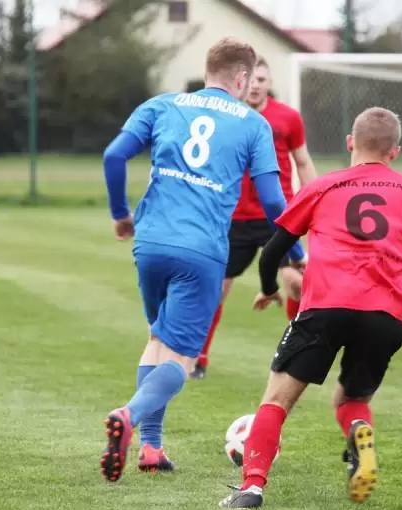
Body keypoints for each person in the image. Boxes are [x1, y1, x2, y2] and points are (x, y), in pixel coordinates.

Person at [219, 107, 402, 509]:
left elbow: (273, 253)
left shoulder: (323, 186)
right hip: (385, 316)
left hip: (325, 307)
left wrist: (268, 288)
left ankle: (251, 488)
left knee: (276, 400)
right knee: (351, 399)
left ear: (350, 142)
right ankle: (357, 429)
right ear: (395, 151)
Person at [98, 37, 306, 482]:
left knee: (158, 339)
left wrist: (120, 214)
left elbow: (114, 155)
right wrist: (295, 250)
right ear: (242, 78)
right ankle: (128, 416)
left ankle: (151, 447)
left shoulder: (163, 104)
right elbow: (274, 200)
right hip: (202, 249)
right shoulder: (253, 123)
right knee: (182, 360)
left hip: (150, 241)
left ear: (208, 70)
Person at [192, 57, 317, 380]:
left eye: (262, 79)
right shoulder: (227, 116)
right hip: (233, 218)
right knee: (216, 289)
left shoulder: (287, 118)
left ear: (268, 82)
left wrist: (315, 203)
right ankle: (199, 359)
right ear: (241, 82)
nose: (256, 85)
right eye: (252, 79)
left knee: (297, 283)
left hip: (279, 216)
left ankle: (295, 357)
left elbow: (302, 162)